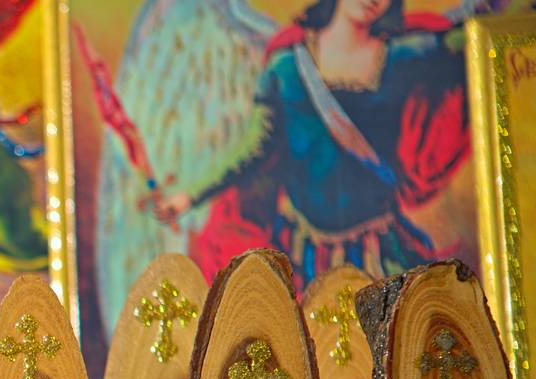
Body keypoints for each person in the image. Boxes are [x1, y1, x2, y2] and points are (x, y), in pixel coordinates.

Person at [151, 0, 469, 287]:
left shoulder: (408, 57)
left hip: (379, 251)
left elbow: (472, 37)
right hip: (304, 254)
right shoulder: (285, 68)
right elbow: (253, 150)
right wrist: (189, 196)